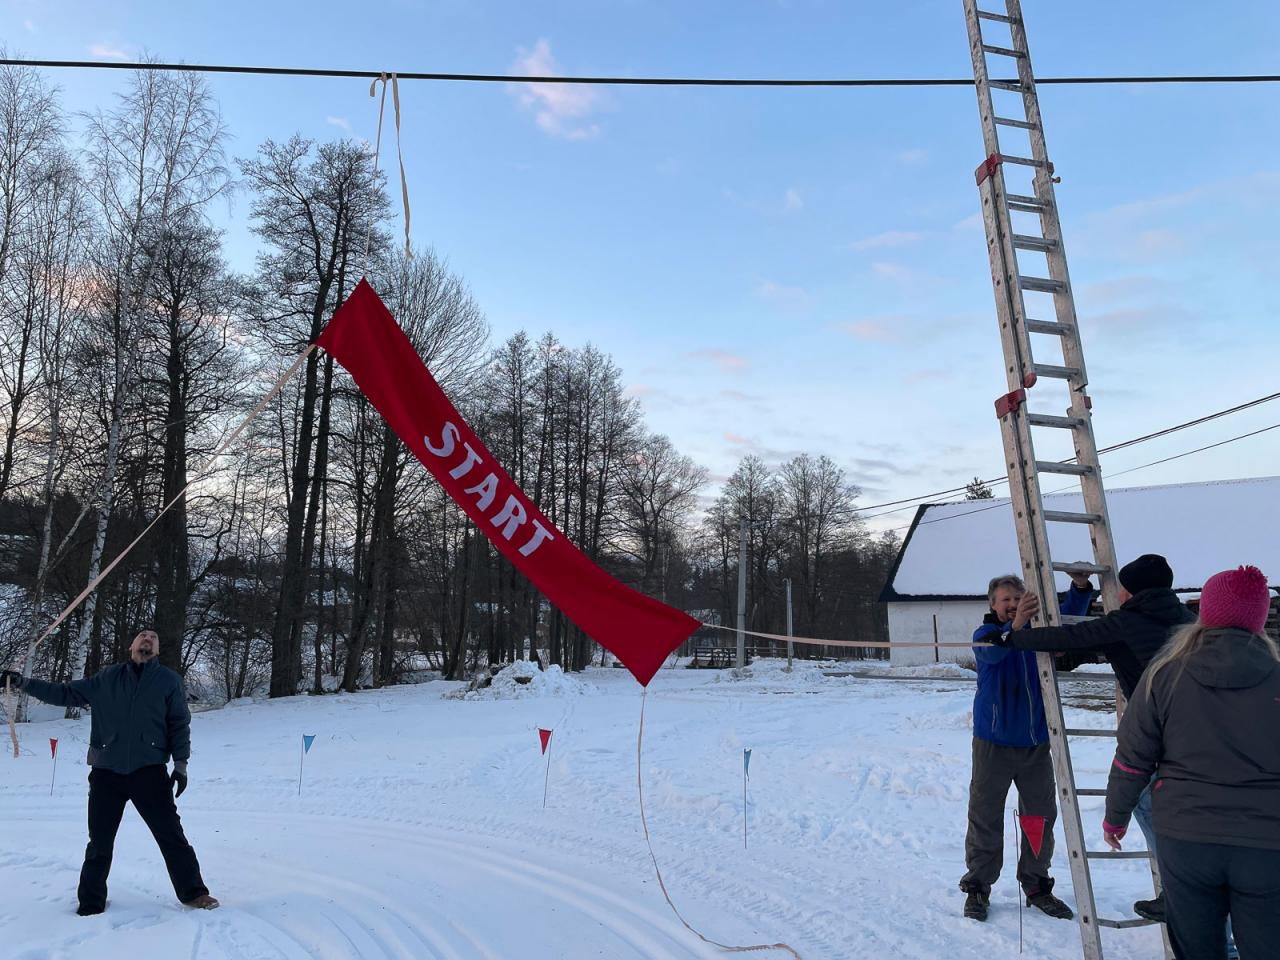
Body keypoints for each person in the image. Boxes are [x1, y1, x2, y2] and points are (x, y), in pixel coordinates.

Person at [997, 552, 1205, 929]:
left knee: (1146, 802)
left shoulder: (1126, 621)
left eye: (1122, 587)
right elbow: (1078, 645)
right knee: (1195, 814)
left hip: (1157, 731)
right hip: (1200, 729)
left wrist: (1017, 636)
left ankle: (1181, 890)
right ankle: (1201, 896)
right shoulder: (1189, 620)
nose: (1119, 592)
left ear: (1131, 591)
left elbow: (1069, 636)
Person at [1101, 566, 1279, 960]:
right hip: (1267, 843)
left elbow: (1132, 758)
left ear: (1207, 612)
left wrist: (1115, 817)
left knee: (1197, 948)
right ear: (1259, 617)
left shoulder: (1164, 674)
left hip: (1186, 838)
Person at [1, 630, 218, 915]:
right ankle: (91, 902)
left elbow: (178, 723)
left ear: (157, 649)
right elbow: (65, 693)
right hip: (106, 772)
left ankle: (194, 893)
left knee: (171, 835)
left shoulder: (168, 681)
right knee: (99, 841)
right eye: (142, 636)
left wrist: (181, 765)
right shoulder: (107, 678)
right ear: (131, 646)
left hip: (149, 772)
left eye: (153, 637)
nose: (148, 639)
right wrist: (22, 682)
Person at [958, 570, 1093, 922]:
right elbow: (994, 655)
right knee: (986, 815)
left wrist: (1080, 588)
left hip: (1035, 744)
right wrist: (1016, 626)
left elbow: (1065, 615)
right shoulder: (986, 635)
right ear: (993, 605)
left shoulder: (1036, 634)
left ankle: (1035, 884)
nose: (1013, 604)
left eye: (1018, 599)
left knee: (1039, 817)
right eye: (1006, 600)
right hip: (994, 743)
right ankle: (978, 886)